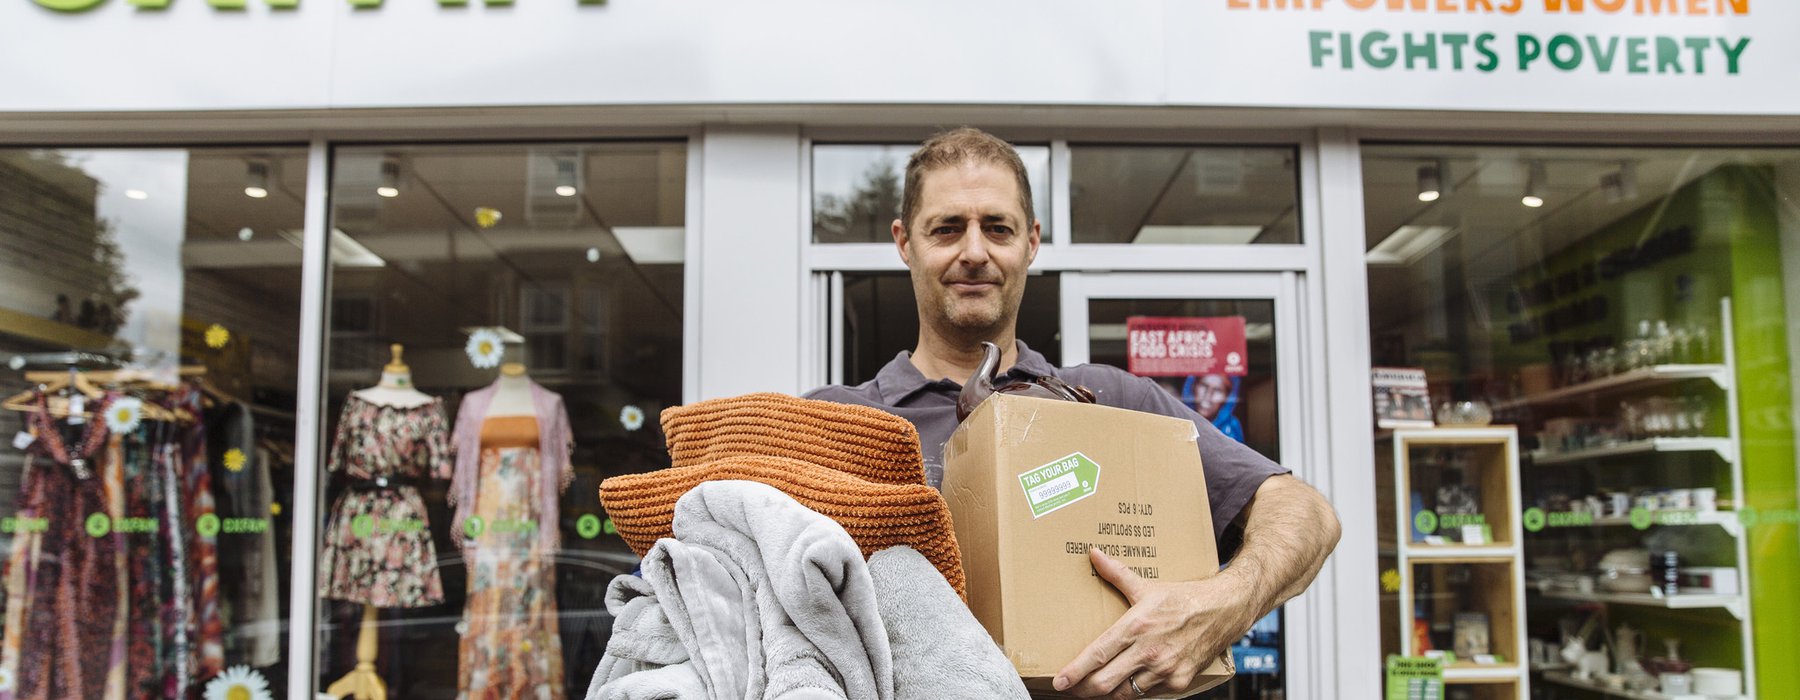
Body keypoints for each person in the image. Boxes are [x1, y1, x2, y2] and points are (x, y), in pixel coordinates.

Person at [805, 128, 1340, 700]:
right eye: (946, 228)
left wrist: (1217, 606)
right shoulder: (837, 423)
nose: (975, 251)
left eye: (998, 227)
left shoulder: (1110, 401)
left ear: (1031, 242)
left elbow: (1307, 515)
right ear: (905, 242)